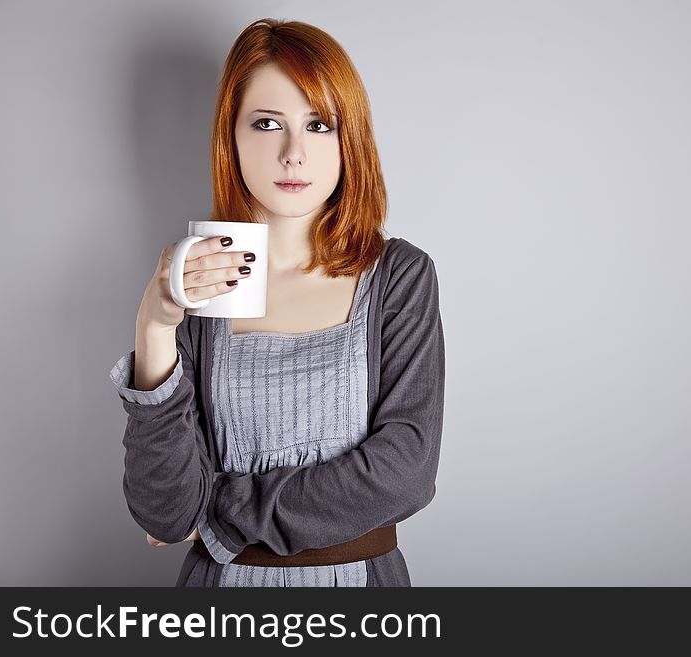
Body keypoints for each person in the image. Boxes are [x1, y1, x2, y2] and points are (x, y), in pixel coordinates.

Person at [107, 18, 445, 587]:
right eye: (267, 123)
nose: (293, 153)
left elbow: (405, 473)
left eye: (318, 125)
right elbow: (165, 515)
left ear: (348, 140)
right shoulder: (200, 282)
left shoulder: (400, 276)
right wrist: (155, 327)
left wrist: (224, 510)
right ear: (231, 135)